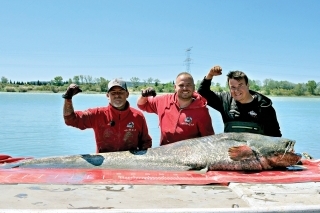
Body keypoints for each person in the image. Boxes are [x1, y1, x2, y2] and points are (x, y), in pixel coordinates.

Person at [62, 79, 152, 153]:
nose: (117, 95)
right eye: (113, 93)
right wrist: (68, 98)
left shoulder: (138, 116)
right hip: (105, 167)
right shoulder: (97, 114)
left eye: (121, 92)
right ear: (107, 95)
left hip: (129, 166)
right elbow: (71, 120)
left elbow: (146, 142)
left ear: (127, 94)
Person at [197, 65, 282, 137]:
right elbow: (202, 92)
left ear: (248, 85)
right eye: (233, 87)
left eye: (240, 85)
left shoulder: (264, 106)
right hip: (231, 152)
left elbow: (275, 135)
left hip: (255, 153)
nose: (237, 90)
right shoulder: (225, 101)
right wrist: (210, 75)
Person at [137, 72, 215, 146]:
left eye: (188, 85)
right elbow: (142, 105)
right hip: (165, 152)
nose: (185, 88)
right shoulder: (163, 101)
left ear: (194, 87)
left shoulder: (202, 110)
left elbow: (209, 139)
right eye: (181, 85)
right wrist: (144, 95)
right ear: (175, 87)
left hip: (189, 156)